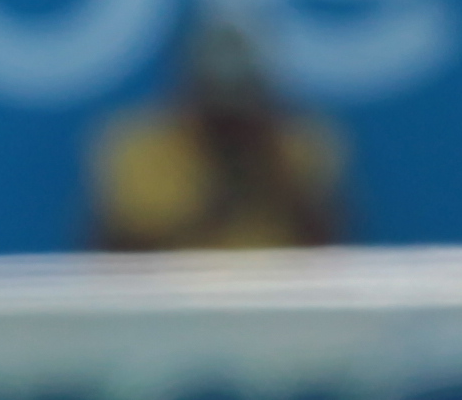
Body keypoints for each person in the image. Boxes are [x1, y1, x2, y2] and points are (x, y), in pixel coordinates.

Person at [87, 15, 350, 253]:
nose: (228, 127)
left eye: (240, 110)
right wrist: (208, 211)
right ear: (188, 92)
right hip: (170, 301)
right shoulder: (140, 149)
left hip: (272, 299)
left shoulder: (298, 146)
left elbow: (329, 253)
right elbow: (112, 255)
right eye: (216, 112)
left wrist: (276, 180)